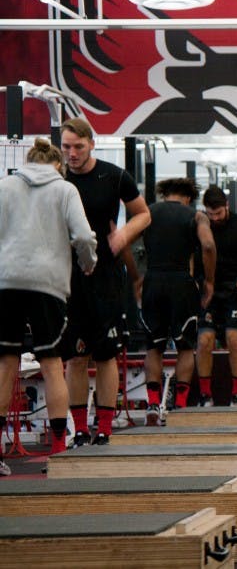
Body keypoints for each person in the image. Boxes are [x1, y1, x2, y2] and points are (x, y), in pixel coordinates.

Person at [0, 138, 97, 473]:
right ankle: (57, 452)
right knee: (53, 364)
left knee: (6, 363)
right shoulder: (65, 188)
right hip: (48, 285)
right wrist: (88, 261)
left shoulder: (5, 186)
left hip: (7, 282)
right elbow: (84, 236)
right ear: (56, 164)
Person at [61, 117, 151, 447]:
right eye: (66, 147)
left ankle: (105, 429)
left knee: (106, 354)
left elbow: (144, 214)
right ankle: (79, 429)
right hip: (67, 276)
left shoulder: (114, 176)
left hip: (106, 276)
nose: (71, 153)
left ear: (92, 144)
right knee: (75, 356)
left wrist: (124, 233)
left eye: (78, 147)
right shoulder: (58, 176)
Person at [139, 178, 216, 425]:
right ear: (189, 197)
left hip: (153, 279)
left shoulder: (147, 212)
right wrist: (210, 281)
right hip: (181, 282)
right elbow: (208, 245)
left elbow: (124, 246)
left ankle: (152, 403)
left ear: (164, 194)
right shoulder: (196, 216)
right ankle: (179, 407)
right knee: (184, 346)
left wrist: (135, 279)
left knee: (154, 346)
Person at [195, 185, 237, 406]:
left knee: (234, 339)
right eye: (210, 214)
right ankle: (205, 395)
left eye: (219, 213)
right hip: (208, 291)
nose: (214, 218)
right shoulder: (200, 225)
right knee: (204, 341)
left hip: (234, 290)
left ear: (227, 206)